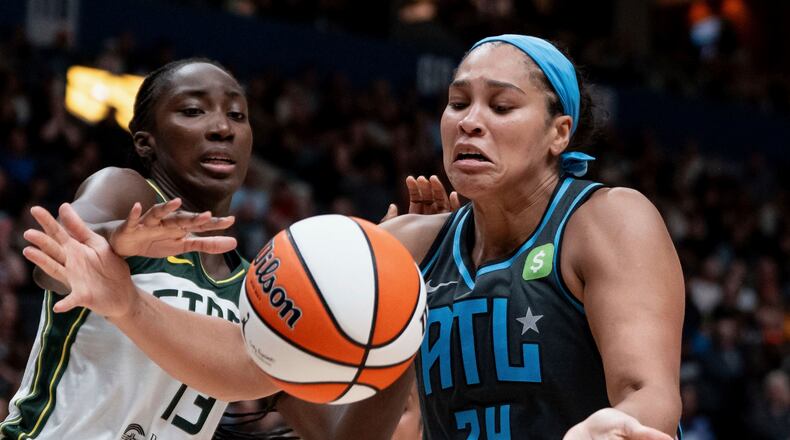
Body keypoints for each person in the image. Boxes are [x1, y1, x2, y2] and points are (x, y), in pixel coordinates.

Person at [21, 34, 684, 439]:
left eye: (501, 106)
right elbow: (254, 359)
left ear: (558, 133)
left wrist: (611, 431)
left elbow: (648, 394)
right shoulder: (409, 247)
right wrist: (126, 303)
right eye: (457, 103)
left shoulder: (606, 219)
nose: (470, 122)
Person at [0, 58, 251, 439]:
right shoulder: (127, 193)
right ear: (145, 142)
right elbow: (54, 264)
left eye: (237, 115)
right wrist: (114, 239)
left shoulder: (256, 287)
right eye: (193, 110)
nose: (222, 128)